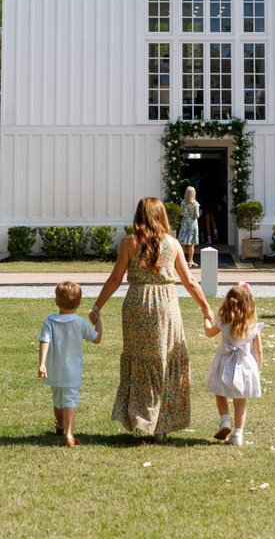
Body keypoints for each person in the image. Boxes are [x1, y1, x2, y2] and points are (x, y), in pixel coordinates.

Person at [88, 197, 213, 438]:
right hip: (166, 304)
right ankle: (161, 424)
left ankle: (140, 419)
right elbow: (189, 281)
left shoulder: (129, 243)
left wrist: (97, 306)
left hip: (137, 303)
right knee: (165, 359)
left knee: (140, 360)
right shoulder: (173, 244)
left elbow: (115, 279)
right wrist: (206, 308)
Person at [38, 280, 102, 447]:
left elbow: (44, 341)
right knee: (70, 400)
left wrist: (42, 364)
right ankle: (69, 434)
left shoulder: (50, 320)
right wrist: (98, 322)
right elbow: (96, 338)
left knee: (57, 400)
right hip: (72, 371)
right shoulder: (79, 322)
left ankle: (60, 425)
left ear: (56, 301)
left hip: (54, 370)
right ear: (79, 303)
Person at [204, 282, 263, 447]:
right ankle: (238, 434)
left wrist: (206, 319)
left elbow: (209, 333)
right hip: (245, 366)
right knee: (240, 401)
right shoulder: (252, 326)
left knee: (219, 391)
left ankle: (224, 420)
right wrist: (257, 369)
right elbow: (258, 351)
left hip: (224, 362)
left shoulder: (223, 321)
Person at [178, 186, 200, 268]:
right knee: (191, 244)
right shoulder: (195, 204)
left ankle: (183, 261)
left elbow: (181, 212)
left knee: (183, 243)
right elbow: (197, 215)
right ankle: (190, 261)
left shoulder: (183, 202)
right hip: (192, 223)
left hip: (184, 222)